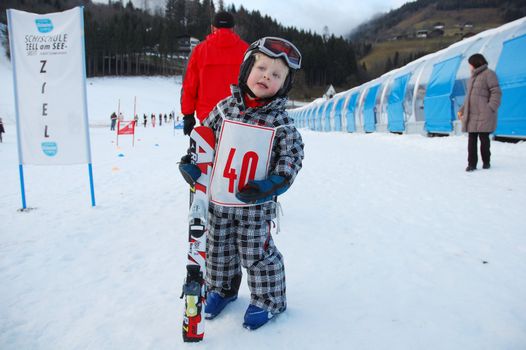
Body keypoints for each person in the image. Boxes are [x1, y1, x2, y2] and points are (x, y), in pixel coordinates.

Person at [179, 37, 304, 330]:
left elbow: (291, 157)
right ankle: (221, 288)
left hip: (254, 206)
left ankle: (268, 299)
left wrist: (273, 182)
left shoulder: (281, 123)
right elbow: (203, 141)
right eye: (261, 68)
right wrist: (192, 163)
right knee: (217, 248)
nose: (266, 77)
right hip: (219, 201)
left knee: (256, 253)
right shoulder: (223, 109)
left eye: (276, 75)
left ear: (284, 85)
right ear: (247, 68)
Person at [180, 11, 249, 136]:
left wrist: (188, 115)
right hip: (239, 117)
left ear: (212, 28)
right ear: (233, 28)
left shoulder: (199, 51)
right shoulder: (246, 50)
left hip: (208, 118)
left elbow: (189, 86)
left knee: (211, 154)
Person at [458, 53, 502, 172]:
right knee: (471, 139)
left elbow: (496, 92)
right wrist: (462, 109)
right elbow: (469, 97)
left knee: (484, 138)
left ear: (476, 63)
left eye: (470, 64)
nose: (469, 67)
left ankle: (486, 162)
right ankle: (471, 164)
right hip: (472, 114)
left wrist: (490, 108)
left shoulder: (489, 74)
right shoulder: (473, 77)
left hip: (484, 113)